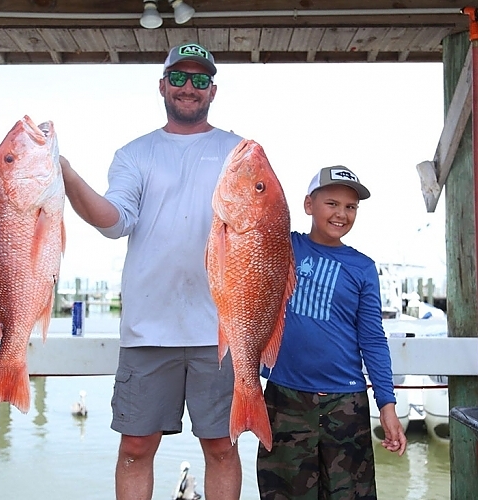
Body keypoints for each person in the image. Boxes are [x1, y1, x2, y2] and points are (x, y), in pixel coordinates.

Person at [59, 43, 243, 500]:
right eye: (179, 77)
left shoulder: (239, 151)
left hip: (221, 330)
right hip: (147, 331)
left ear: (213, 91)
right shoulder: (135, 153)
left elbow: (262, 233)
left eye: (200, 80)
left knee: (222, 446)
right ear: (162, 85)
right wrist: (67, 176)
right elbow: (114, 219)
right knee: (136, 447)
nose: (188, 87)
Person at [257, 165, 407, 499]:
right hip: (285, 398)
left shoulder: (363, 267)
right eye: (332, 203)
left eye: (350, 207)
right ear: (309, 205)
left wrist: (387, 404)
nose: (341, 213)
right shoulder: (282, 246)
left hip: (346, 403)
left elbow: (372, 339)